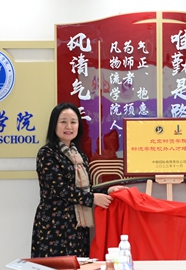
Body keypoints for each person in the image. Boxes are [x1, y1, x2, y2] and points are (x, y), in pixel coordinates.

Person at [31, 102, 127, 258]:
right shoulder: (47, 153)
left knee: (79, 268)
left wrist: (107, 191)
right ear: (54, 125)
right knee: (55, 269)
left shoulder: (79, 155)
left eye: (73, 122)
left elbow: (85, 188)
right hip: (54, 224)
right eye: (63, 122)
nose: (69, 126)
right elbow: (60, 190)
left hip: (78, 226)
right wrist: (92, 199)